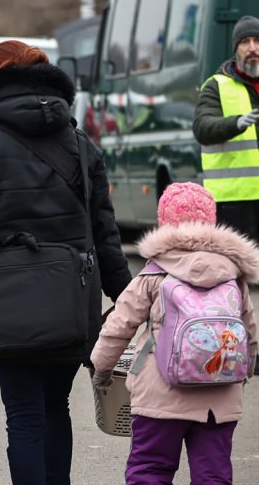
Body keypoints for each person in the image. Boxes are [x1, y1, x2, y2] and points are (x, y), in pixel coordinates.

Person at [0, 40, 131, 485]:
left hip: (6, 301)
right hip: (73, 301)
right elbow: (105, 232)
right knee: (57, 405)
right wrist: (127, 299)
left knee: (24, 413)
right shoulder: (79, 142)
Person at [91, 182, 258, 485]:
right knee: (213, 475)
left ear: (164, 223)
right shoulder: (233, 274)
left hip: (159, 395)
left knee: (150, 469)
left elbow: (119, 326)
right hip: (218, 397)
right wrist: (245, 369)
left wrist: (101, 370)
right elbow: (250, 333)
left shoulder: (154, 273)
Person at [193, 15, 259, 247]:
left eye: (257, 41)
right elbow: (202, 128)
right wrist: (236, 123)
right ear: (235, 49)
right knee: (237, 274)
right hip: (233, 201)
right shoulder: (216, 86)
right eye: (245, 42)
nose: (252, 48)